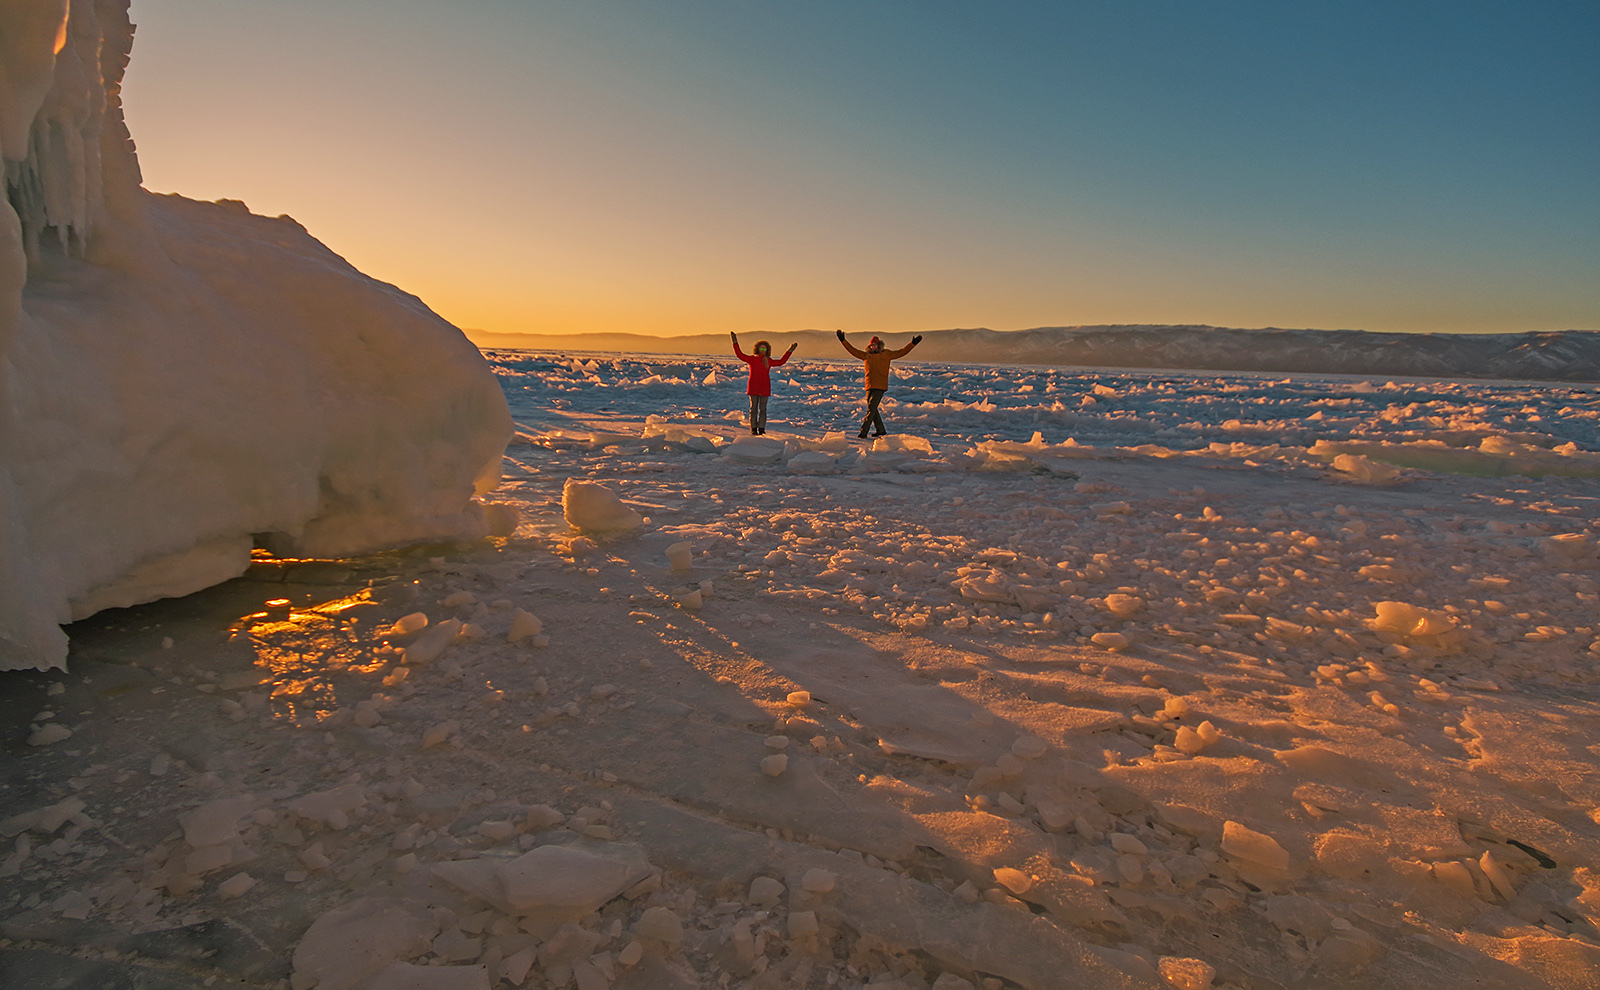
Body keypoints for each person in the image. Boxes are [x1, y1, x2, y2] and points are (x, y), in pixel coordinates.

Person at [836, 331, 922, 438]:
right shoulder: (866, 356)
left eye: (875, 345)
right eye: (871, 345)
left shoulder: (886, 354)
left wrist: (912, 344)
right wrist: (843, 341)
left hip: (880, 386)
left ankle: (863, 432)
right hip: (869, 385)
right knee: (873, 409)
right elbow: (853, 350)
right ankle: (880, 430)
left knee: (871, 409)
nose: (873, 347)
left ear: (879, 345)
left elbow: (901, 352)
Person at [731, 332, 795, 435]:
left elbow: (781, 362)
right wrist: (735, 342)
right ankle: (753, 429)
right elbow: (740, 355)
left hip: (764, 387)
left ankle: (761, 429)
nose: (763, 350)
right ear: (757, 349)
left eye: (765, 349)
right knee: (753, 409)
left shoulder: (768, 361)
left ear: (767, 350)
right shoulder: (752, 359)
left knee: (763, 410)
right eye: (761, 348)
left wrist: (790, 350)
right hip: (753, 387)